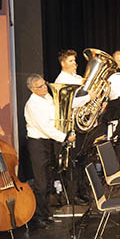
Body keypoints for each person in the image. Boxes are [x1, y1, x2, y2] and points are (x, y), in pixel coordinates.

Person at [23, 73, 74, 227]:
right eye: (40, 86)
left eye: (44, 84)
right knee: (41, 182)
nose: (45, 87)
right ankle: (39, 216)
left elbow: (54, 118)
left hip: (48, 142)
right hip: (38, 144)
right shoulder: (33, 104)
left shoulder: (47, 98)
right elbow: (45, 128)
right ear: (32, 89)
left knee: (48, 178)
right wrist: (65, 137)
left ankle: (46, 213)